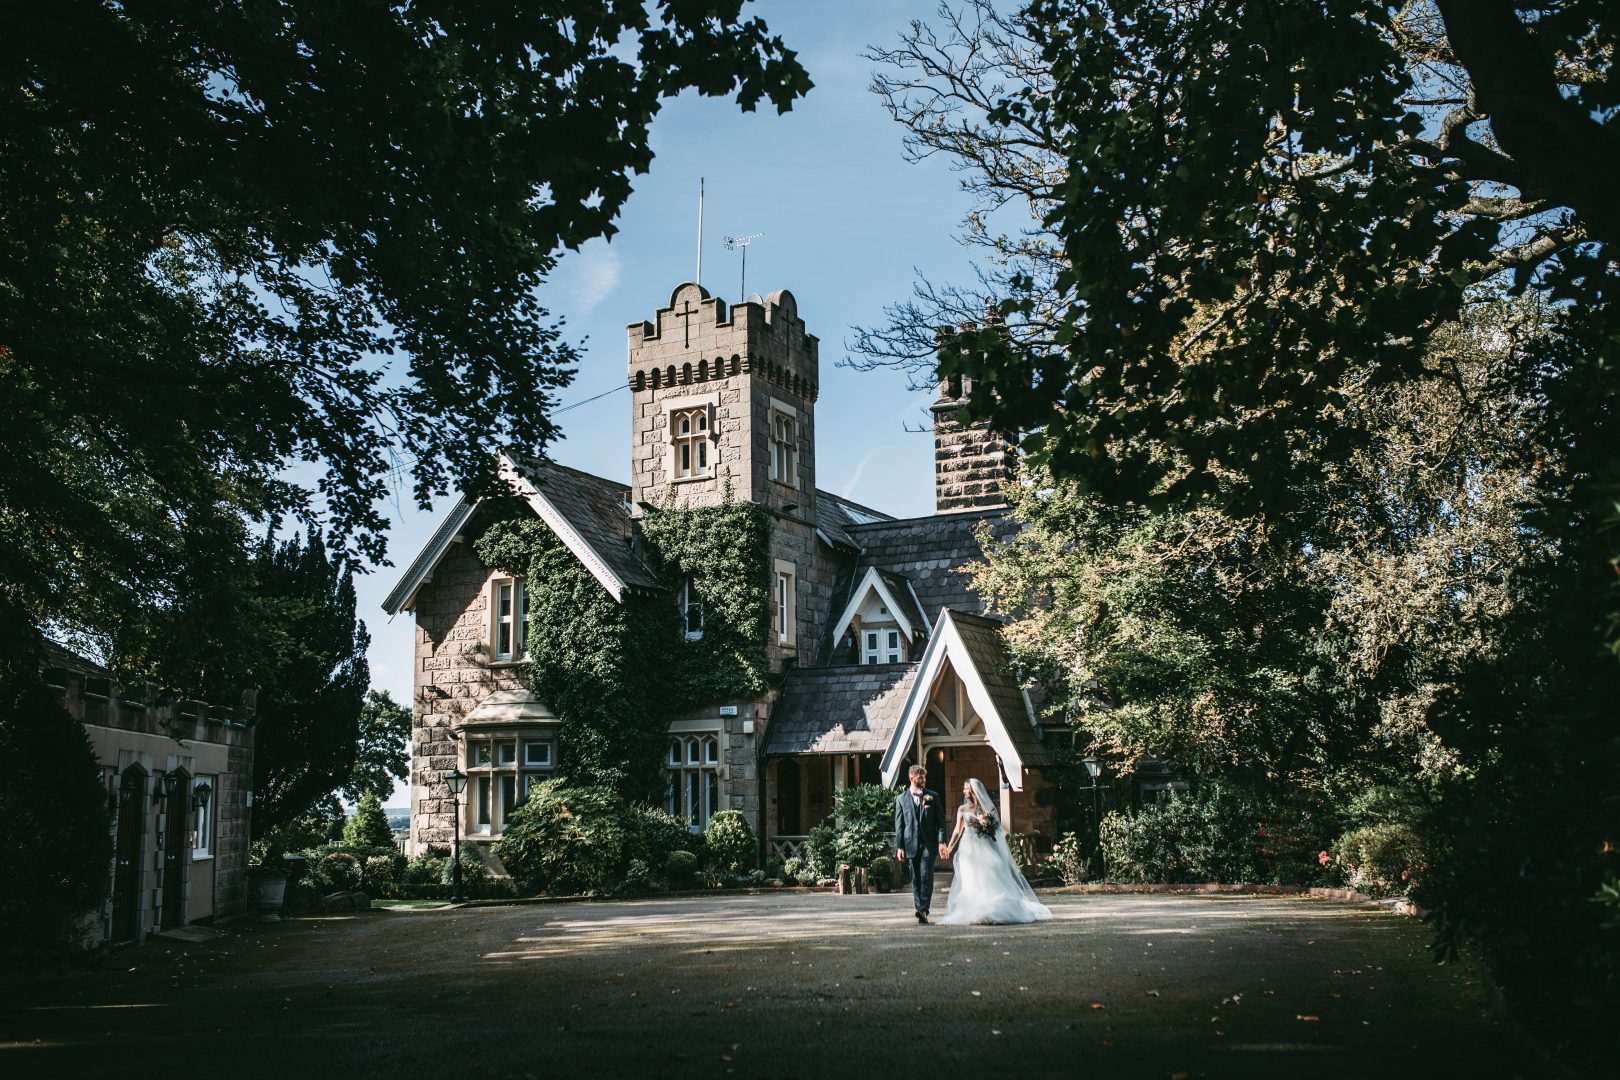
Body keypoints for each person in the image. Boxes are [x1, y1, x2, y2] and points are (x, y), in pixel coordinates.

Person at [938, 778, 1052, 925]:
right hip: (968, 848)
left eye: (967, 788)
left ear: (974, 791)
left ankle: (992, 907)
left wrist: (985, 825)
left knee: (988, 876)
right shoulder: (962, 809)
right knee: (970, 878)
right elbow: (957, 831)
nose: (964, 791)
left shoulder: (987, 810)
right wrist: (949, 847)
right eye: (964, 788)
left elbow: (996, 830)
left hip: (985, 846)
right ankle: (974, 909)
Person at [893, 764, 947, 924]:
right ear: (911, 778)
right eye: (920, 777)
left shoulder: (933, 796)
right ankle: (920, 909)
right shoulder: (901, 799)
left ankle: (923, 909)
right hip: (910, 845)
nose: (924, 780)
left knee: (926, 876)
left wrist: (942, 841)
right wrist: (900, 846)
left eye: (924, 777)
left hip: (928, 845)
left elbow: (941, 822)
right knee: (915, 878)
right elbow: (899, 825)